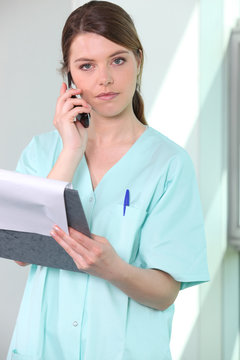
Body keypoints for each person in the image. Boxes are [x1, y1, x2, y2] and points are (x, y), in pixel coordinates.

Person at [7, 1, 209, 359]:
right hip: (42, 348)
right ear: (69, 78)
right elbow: (23, 252)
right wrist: (70, 152)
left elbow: (165, 292)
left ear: (138, 61)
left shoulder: (169, 164)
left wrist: (114, 270)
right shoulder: (42, 152)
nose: (104, 79)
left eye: (117, 60)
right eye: (86, 66)